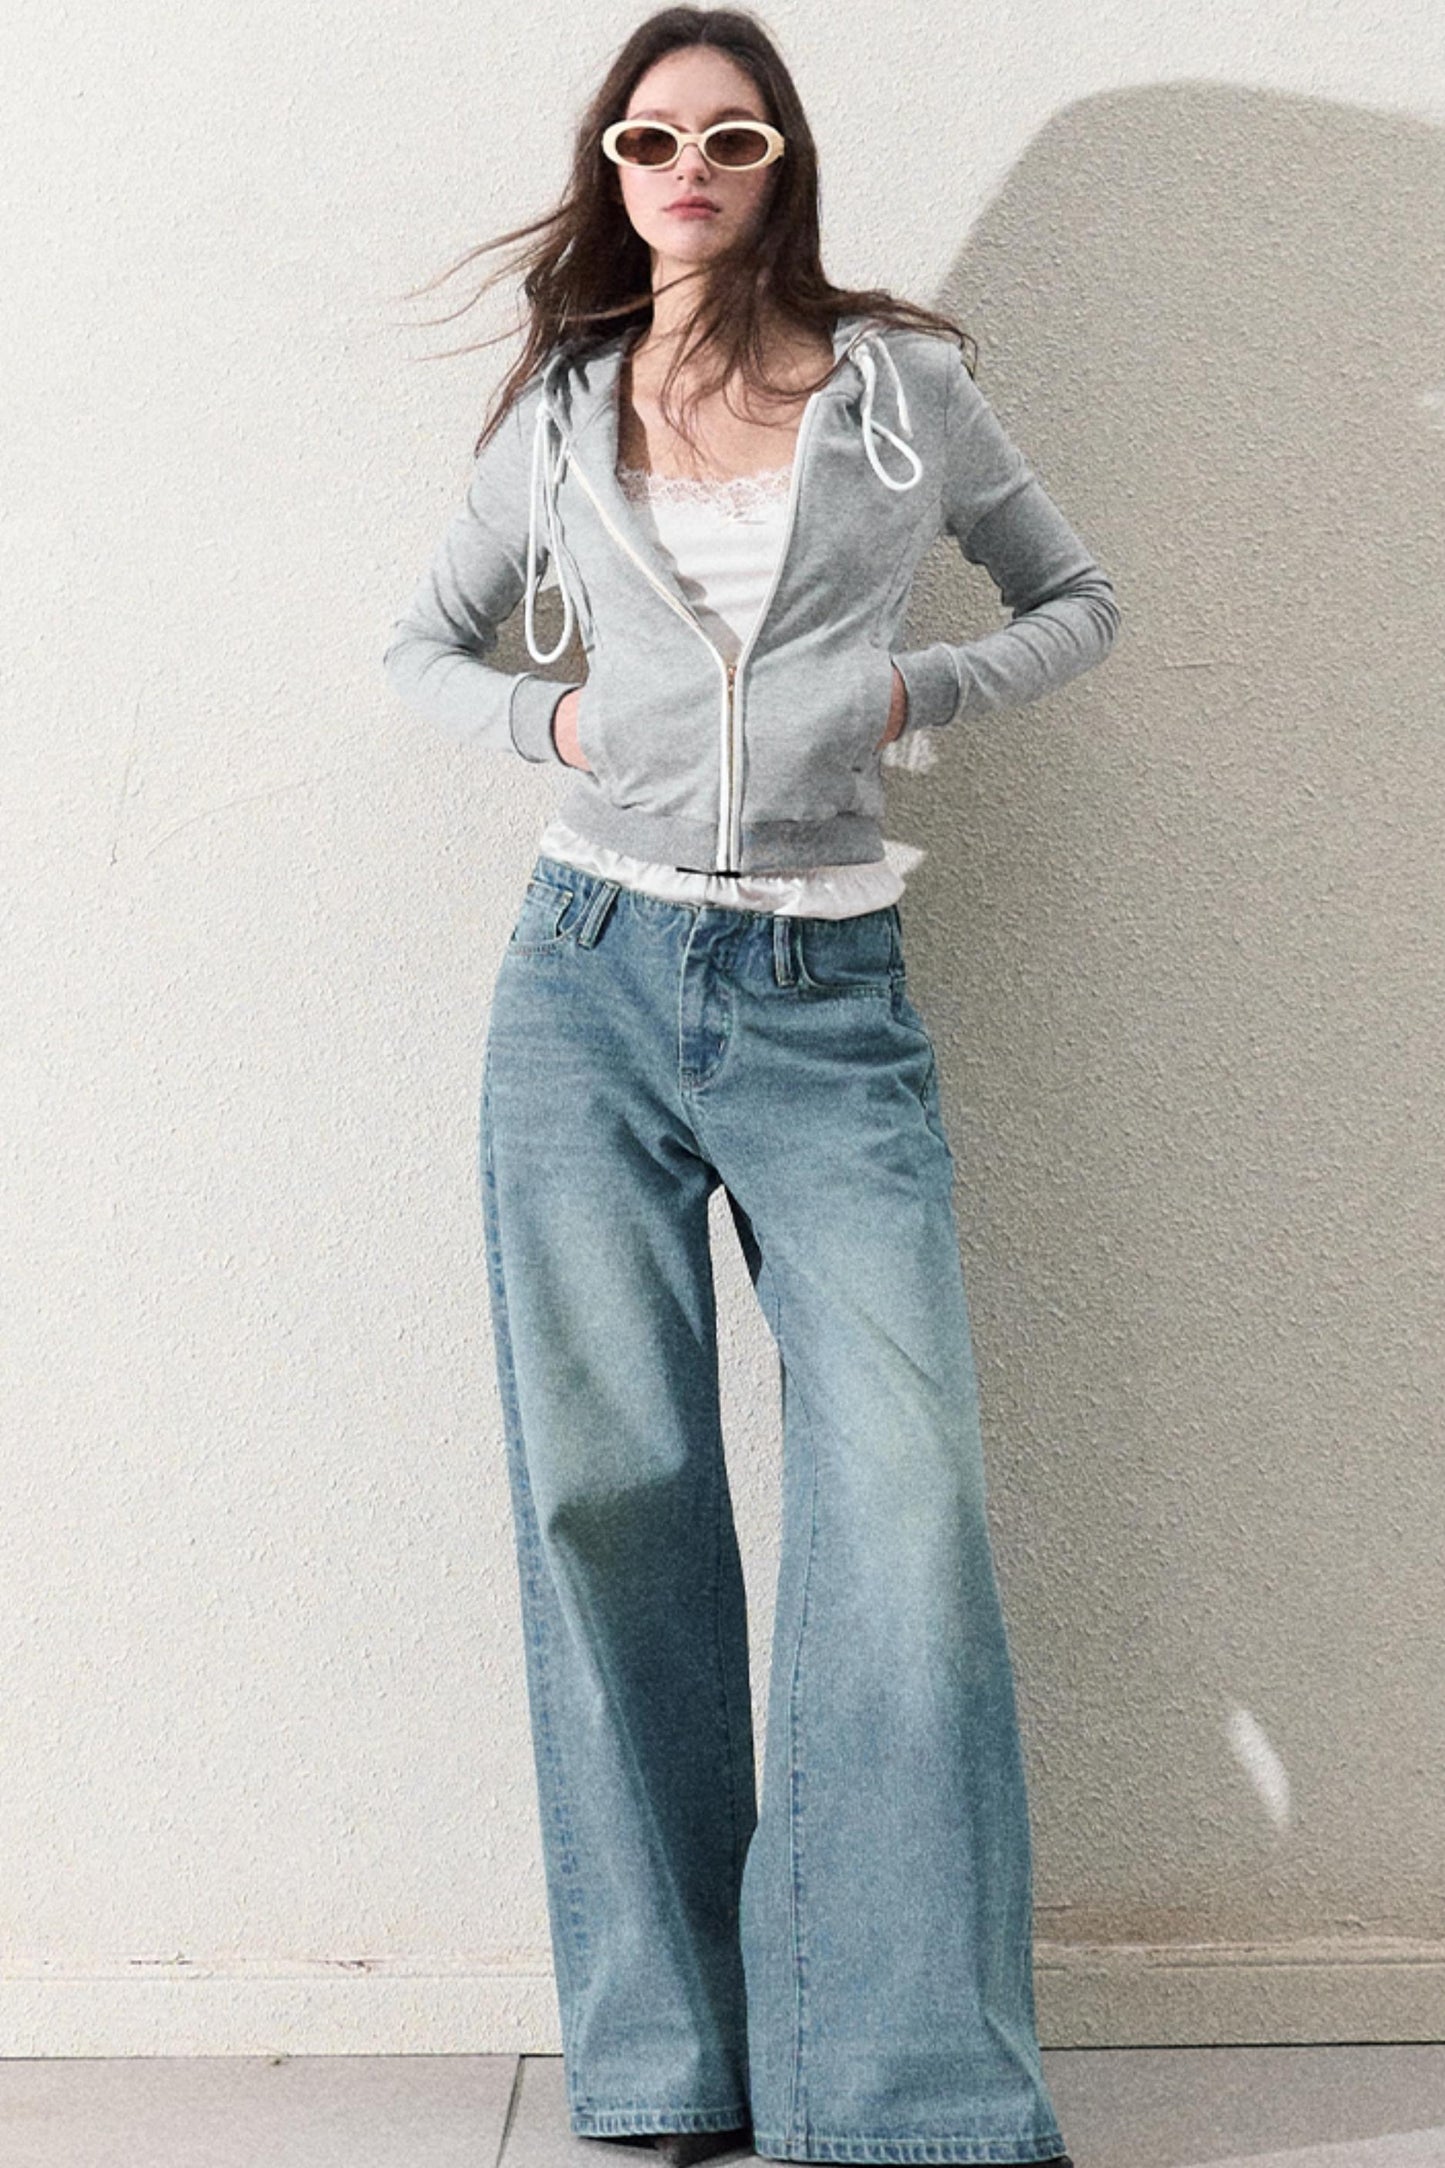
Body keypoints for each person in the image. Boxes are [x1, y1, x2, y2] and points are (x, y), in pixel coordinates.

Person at [383, 11, 1120, 2166]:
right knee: (608, 1500)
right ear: (612, 171)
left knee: (903, 1505)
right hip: (584, 981)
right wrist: (556, 728)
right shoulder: (569, 408)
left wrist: (908, 690)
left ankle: (898, 2085)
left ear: (781, 159)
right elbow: (421, 648)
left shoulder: (901, 395)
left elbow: (1079, 600)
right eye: (650, 136)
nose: (687, 164)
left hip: (827, 992)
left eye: (729, 134)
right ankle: (671, 2061)